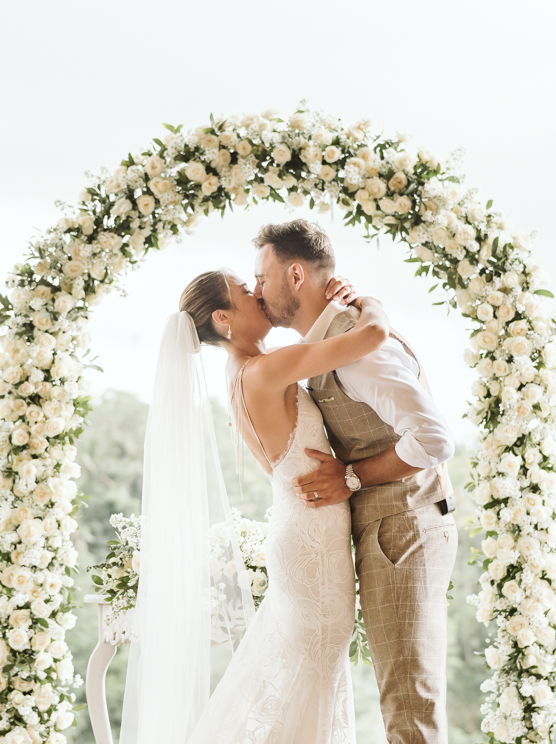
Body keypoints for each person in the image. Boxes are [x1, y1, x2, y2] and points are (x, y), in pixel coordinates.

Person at [121, 263, 385, 744]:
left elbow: (312, 354)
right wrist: (370, 303)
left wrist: (334, 308)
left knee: (309, 676)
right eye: (246, 290)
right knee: (313, 675)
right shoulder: (264, 370)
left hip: (304, 531)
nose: (258, 294)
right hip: (312, 545)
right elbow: (372, 337)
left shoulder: (245, 373)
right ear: (223, 318)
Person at [253, 220, 458, 744]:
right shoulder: (338, 338)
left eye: (262, 277)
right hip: (388, 529)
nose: (257, 291)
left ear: (295, 275)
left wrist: (351, 476)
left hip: (404, 530)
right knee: (401, 697)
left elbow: (434, 440)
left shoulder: (359, 347)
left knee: (409, 702)